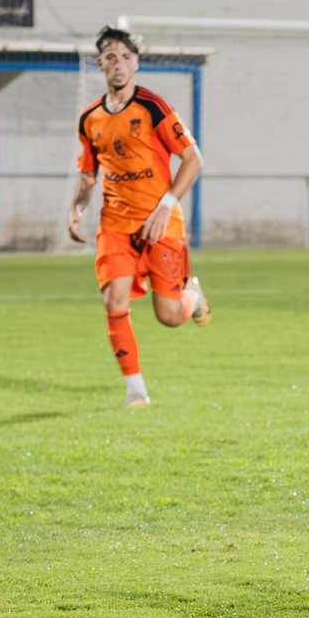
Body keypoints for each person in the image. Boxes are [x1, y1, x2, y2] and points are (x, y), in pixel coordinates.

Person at [67, 26, 210, 408]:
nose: (119, 64)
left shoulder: (154, 107)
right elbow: (88, 174)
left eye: (126, 57)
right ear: (100, 64)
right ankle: (136, 393)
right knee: (114, 300)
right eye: (111, 57)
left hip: (161, 224)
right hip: (115, 225)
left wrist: (166, 205)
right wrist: (77, 207)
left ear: (136, 64)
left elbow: (194, 159)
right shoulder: (89, 119)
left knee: (169, 316)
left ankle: (191, 297)